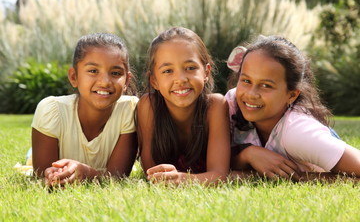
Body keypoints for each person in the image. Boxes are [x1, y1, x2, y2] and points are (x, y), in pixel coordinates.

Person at [225, 35, 360, 181]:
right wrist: (247, 155)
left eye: (266, 85)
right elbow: (207, 164)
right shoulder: (232, 103)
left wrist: (301, 177)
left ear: (292, 95)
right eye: (246, 80)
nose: (251, 94)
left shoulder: (298, 133)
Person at [32, 33, 138, 186]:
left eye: (115, 73)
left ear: (127, 80)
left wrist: (86, 173)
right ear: (74, 76)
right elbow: (42, 175)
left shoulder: (129, 110)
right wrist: (52, 176)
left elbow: (116, 178)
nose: (105, 82)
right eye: (93, 71)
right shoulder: (51, 110)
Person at [136, 27, 230, 185]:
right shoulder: (149, 106)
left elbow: (219, 175)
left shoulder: (215, 106)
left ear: (206, 73)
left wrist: (182, 179)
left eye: (190, 68)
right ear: (154, 81)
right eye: (167, 71)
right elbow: (151, 173)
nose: (180, 79)